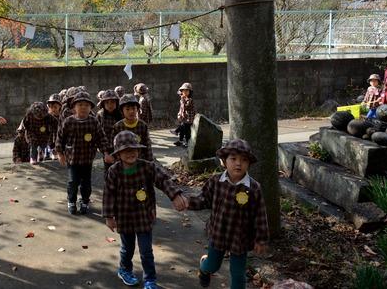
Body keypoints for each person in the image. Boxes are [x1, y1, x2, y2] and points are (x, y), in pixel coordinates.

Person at [103, 131, 187, 289]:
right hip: (124, 217)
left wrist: (175, 195)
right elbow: (109, 194)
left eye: (134, 149)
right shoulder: (114, 171)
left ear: (139, 150)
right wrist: (109, 216)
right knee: (127, 249)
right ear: (118, 153)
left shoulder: (148, 167)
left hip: (144, 216)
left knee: (146, 251)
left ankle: (150, 279)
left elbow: (163, 179)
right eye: (126, 150)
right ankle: (124, 269)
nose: (131, 153)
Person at [183, 139, 269, 289]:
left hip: (239, 238)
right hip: (219, 233)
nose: (238, 163)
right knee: (212, 265)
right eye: (233, 159)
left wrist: (261, 239)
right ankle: (204, 268)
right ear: (224, 161)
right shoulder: (216, 182)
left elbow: (260, 214)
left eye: (243, 160)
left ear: (249, 163)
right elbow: (203, 199)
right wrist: (187, 202)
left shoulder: (254, 188)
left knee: (238, 274)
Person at [55, 91, 109, 215]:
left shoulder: (93, 121)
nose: (83, 107)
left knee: (86, 183)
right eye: (80, 105)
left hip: (87, 159)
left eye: (86, 105)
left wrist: (106, 152)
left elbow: (101, 138)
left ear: (90, 107)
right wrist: (60, 153)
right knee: (72, 182)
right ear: (74, 107)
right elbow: (60, 138)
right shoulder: (68, 122)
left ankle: (85, 201)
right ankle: (71, 201)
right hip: (72, 159)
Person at [113, 94, 153, 162]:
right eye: (127, 109)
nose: (131, 111)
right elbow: (115, 146)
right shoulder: (118, 126)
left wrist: (150, 161)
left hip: (140, 161)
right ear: (122, 111)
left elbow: (147, 145)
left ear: (137, 109)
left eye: (134, 108)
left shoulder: (142, 125)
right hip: (123, 162)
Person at [96, 90, 122, 175]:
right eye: (107, 102)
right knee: (109, 171)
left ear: (117, 103)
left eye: (112, 102)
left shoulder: (121, 114)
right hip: (107, 148)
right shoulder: (100, 115)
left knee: (121, 170)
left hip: (121, 148)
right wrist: (105, 152)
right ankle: (108, 187)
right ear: (103, 103)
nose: (110, 105)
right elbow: (98, 134)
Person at [174, 82, 196, 147]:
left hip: (189, 119)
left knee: (187, 131)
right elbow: (181, 108)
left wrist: (183, 98)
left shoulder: (190, 100)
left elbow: (186, 106)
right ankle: (180, 140)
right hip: (184, 117)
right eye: (184, 91)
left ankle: (187, 142)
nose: (185, 92)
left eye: (187, 91)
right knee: (183, 129)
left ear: (190, 92)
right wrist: (181, 95)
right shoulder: (183, 98)